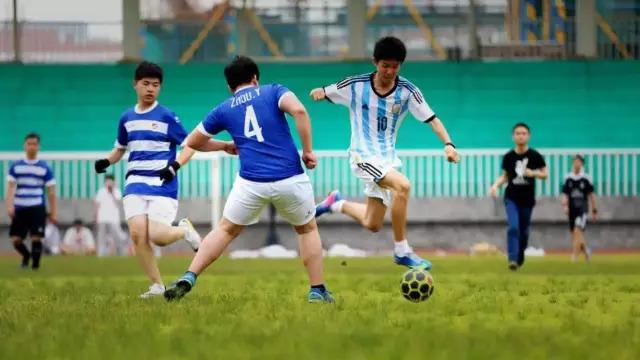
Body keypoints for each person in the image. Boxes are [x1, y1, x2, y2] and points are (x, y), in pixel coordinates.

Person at [164, 55, 334, 303]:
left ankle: (189, 275)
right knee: (307, 229)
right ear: (255, 78)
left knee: (225, 229)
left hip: (251, 183)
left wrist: (224, 146)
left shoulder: (223, 108)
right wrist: (307, 150)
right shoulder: (273, 91)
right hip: (289, 177)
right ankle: (317, 290)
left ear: (229, 86)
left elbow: (192, 141)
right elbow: (299, 110)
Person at [309, 36, 459, 270]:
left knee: (372, 223)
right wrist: (320, 92)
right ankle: (402, 250)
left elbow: (432, 118)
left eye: (395, 66)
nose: (389, 71)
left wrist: (449, 144)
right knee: (403, 186)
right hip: (362, 156)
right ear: (375, 62)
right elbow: (327, 90)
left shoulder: (408, 91)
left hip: (387, 159)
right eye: (385, 65)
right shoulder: (356, 85)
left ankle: (335, 203)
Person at [93, 61, 221, 298]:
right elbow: (120, 149)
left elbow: (190, 145)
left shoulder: (167, 116)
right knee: (137, 235)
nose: (150, 89)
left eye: (155, 85)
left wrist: (175, 166)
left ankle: (183, 230)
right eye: (146, 84)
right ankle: (157, 285)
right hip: (134, 184)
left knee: (158, 237)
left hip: (162, 183)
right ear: (135, 85)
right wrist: (107, 161)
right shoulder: (126, 118)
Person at [490, 123, 547, 270]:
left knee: (524, 231)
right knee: (513, 227)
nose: (520, 135)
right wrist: (495, 186)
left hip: (527, 199)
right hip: (511, 197)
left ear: (528, 136)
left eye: (523, 133)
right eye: (517, 133)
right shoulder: (509, 157)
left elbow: (545, 174)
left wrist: (532, 173)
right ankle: (512, 259)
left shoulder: (535, 156)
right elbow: (505, 176)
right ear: (513, 136)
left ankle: (519, 255)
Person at [6, 133, 57, 270]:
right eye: (29, 144)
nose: (31, 147)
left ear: (38, 146)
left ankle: (35, 267)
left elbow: (51, 191)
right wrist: (9, 205)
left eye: (34, 144)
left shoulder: (45, 167)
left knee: (36, 237)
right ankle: (26, 256)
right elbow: (10, 188)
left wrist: (53, 212)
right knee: (16, 239)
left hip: (37, 207)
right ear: (25, 145)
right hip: (20, 207)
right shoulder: (15, 166)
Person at [561, 155, 598, 262]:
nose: (576, 163)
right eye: (574, 161)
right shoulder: (568, 178)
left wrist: (594, 209)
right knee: (574, 233)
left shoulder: (586, 178)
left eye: (578, 161)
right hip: (572, 209)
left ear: (582, 163)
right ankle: (586, 250)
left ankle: (574, 255)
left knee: (578, 230)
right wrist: (565, 206)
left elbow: (591, 195)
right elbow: (565, 194)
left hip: (582, 209)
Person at [94, 174, 128, 256]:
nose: (108, 183)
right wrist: (96, 217)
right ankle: (101, 254)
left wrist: (111, 192)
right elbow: (97, 205)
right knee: (101, 237)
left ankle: (121, 252)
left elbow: (118, 203)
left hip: (114, 218)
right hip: (102, 218)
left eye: (110, 181)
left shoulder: (117, 191)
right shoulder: (101, 191)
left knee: (117, 236)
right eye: (107, 181)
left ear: (113, 182)